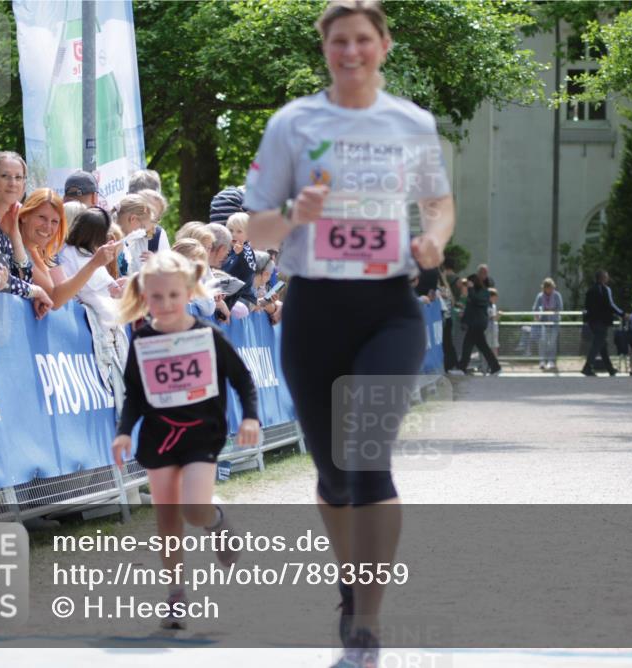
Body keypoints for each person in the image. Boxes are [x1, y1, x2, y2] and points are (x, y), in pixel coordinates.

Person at [244, 1, 455, 662]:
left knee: (368, 457)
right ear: (326, 49)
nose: (352, 51)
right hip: (314, 308)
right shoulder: (294, 123)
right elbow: (255, 228)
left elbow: (438, 202)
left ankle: (366, 622)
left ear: (384, 46)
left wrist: (433, 242)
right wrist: (293, 213)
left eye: (364, 39)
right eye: (340, 41)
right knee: (334, 473)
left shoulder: (411, 123)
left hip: (388, 307)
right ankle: (350, 581)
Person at [111, 250, 260, 630]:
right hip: (159, 437)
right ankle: (176, 594)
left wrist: (251, 417)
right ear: (145, 298)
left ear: (189, 293)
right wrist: (124, 432)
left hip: (200, 433)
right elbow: (134, 394)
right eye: (156, 298)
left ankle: (217, 519)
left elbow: (242, 380)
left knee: (193, 510)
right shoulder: (143, 340)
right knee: (167, 518)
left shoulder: (208, 334)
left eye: (174, 296)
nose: (165, 305)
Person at [0, 151, 54, 317]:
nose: (13, 183)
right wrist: (36, 291)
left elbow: (24, 277)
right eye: (5, 176)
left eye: (19, 177)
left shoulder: (6, 223)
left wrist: (14, 234)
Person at [17, 189, 121, 311]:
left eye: (54, 221)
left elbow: (58, 294)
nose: (48, 227)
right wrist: (94, 264)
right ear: (24, 216)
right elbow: (55, 299)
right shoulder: (16, 248)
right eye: (42, 217)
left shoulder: (43, 253)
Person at [59, 207, 126, 326]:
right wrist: (113, 288)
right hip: (80, 316)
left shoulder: (86, 252)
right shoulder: (70, 253)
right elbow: (88, 287)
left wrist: (115, 285)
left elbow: (106, 284)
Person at [582, 269, 626, 377]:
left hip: (592, 321)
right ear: (602, 278)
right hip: (602, 321)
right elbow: (611, 305)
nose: (608, 278)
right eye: (606, 276)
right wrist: (622, 314)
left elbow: (586, 306)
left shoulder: (590, 290)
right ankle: (587, 367)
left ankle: (610, 369)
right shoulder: (606, 289)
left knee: (602, 345)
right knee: (597, 344)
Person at [457, 274, 500, 375]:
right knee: (482, 347)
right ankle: (495, 367)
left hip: (478, 324)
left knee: (468, 346)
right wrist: (464, 320)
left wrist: (471, 289)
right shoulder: (473, 293)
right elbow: (469, 309)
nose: (467, 286)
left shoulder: (483, 292)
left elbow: (477, 300)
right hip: (474, 324)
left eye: (469, 283)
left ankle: (461, 368)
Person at [532, 277, 563, 371]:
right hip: (543, 322)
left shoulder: (557, 295)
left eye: (551, 287)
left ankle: (551, 361)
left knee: (552, 343)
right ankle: (542, 361)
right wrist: (538, 315)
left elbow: (560, 308)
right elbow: (535, 308)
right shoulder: (540, 296)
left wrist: (551, 310)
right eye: (548, 287)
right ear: (544, 288)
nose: (550, 289)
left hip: (554, 323)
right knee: (543, 342)